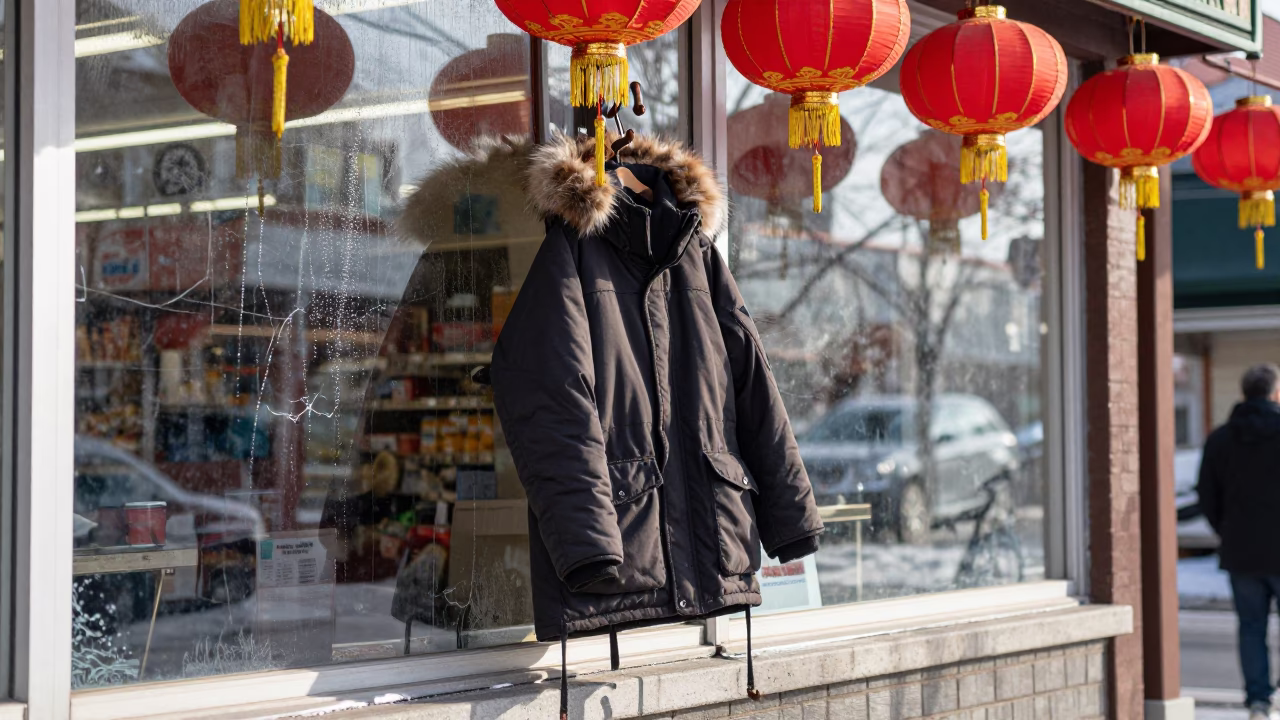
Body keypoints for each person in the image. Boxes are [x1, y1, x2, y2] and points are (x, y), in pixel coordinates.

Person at [1198, 363, 1280, 720]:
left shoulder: (1220, 439)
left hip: (1241, 550)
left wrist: (1226, 529)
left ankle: (1258, 701)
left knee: (1250, 628)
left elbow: (1206, 494)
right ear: (1275, 393)